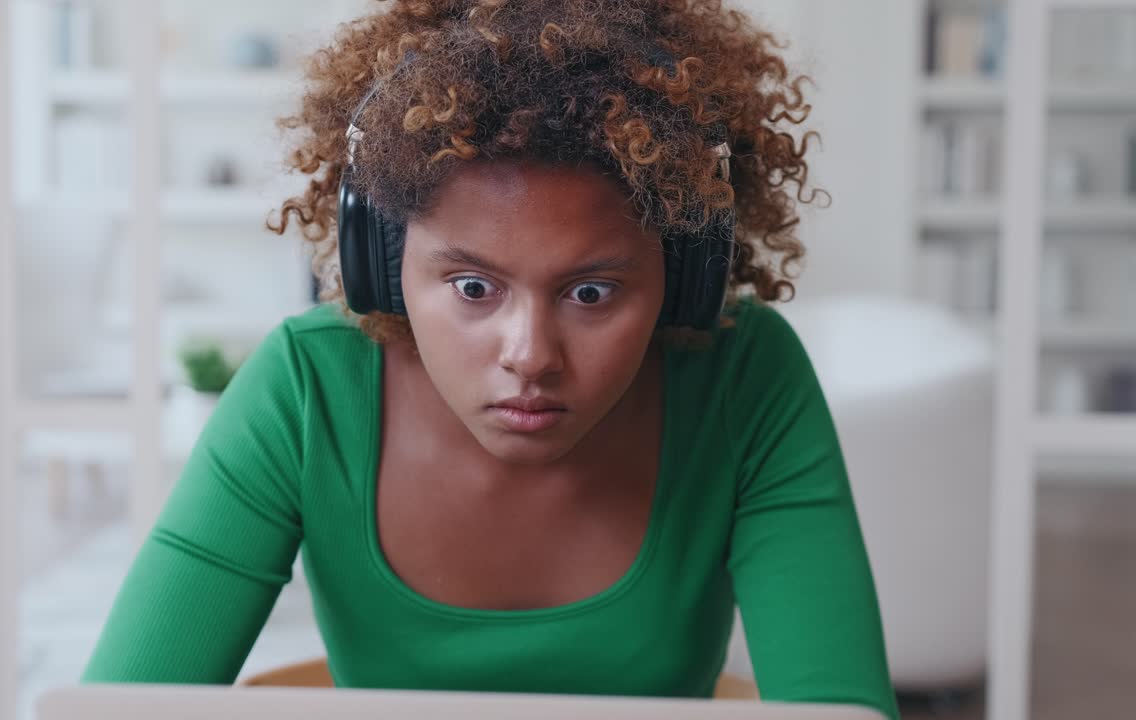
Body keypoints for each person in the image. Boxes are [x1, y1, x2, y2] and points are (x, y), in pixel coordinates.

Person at [82, 1, 898, 718]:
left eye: (591, 294)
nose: (529, 357)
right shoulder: (307, 390)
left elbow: (837, 711)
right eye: (473, 286)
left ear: (684, 276)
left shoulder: (743, 377)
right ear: (383, 261)